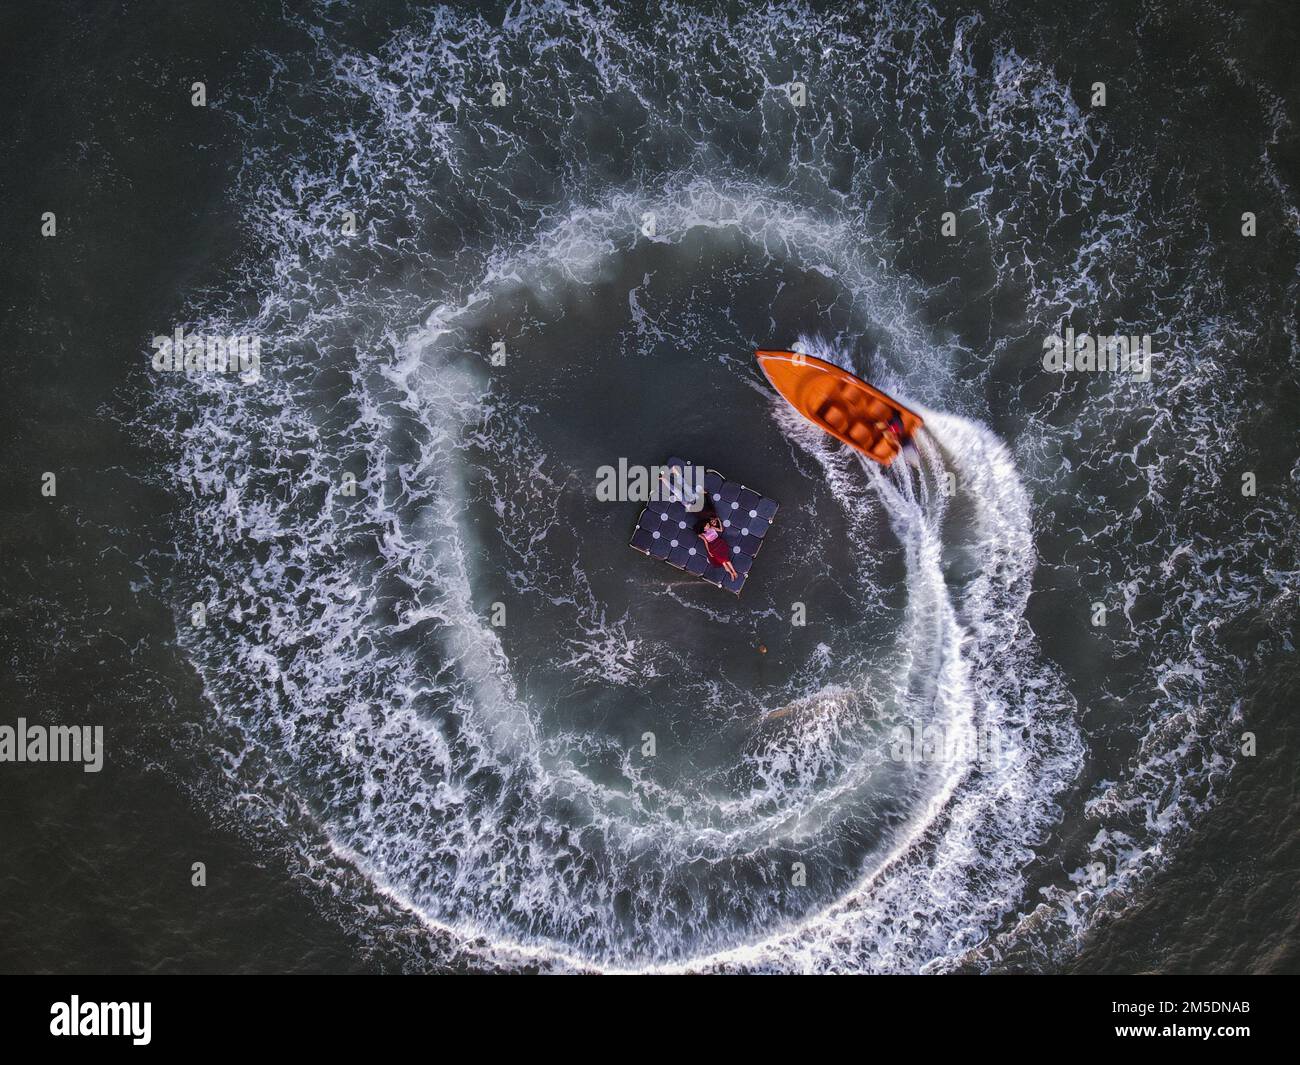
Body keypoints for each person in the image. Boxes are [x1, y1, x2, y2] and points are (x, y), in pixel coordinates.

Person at [698, 514, 738, 581]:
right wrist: (709, 551)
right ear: (704, 527)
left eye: (708, 524)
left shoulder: (712, 528)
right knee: (723, 563)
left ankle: (734, 571)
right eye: (707, 525)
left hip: (719, 543)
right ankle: (731, 573)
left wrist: (719, 520)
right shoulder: (702, 534)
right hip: (713, 547)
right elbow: (706, 543)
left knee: (726, 560)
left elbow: (721, 530)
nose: (708, 525)